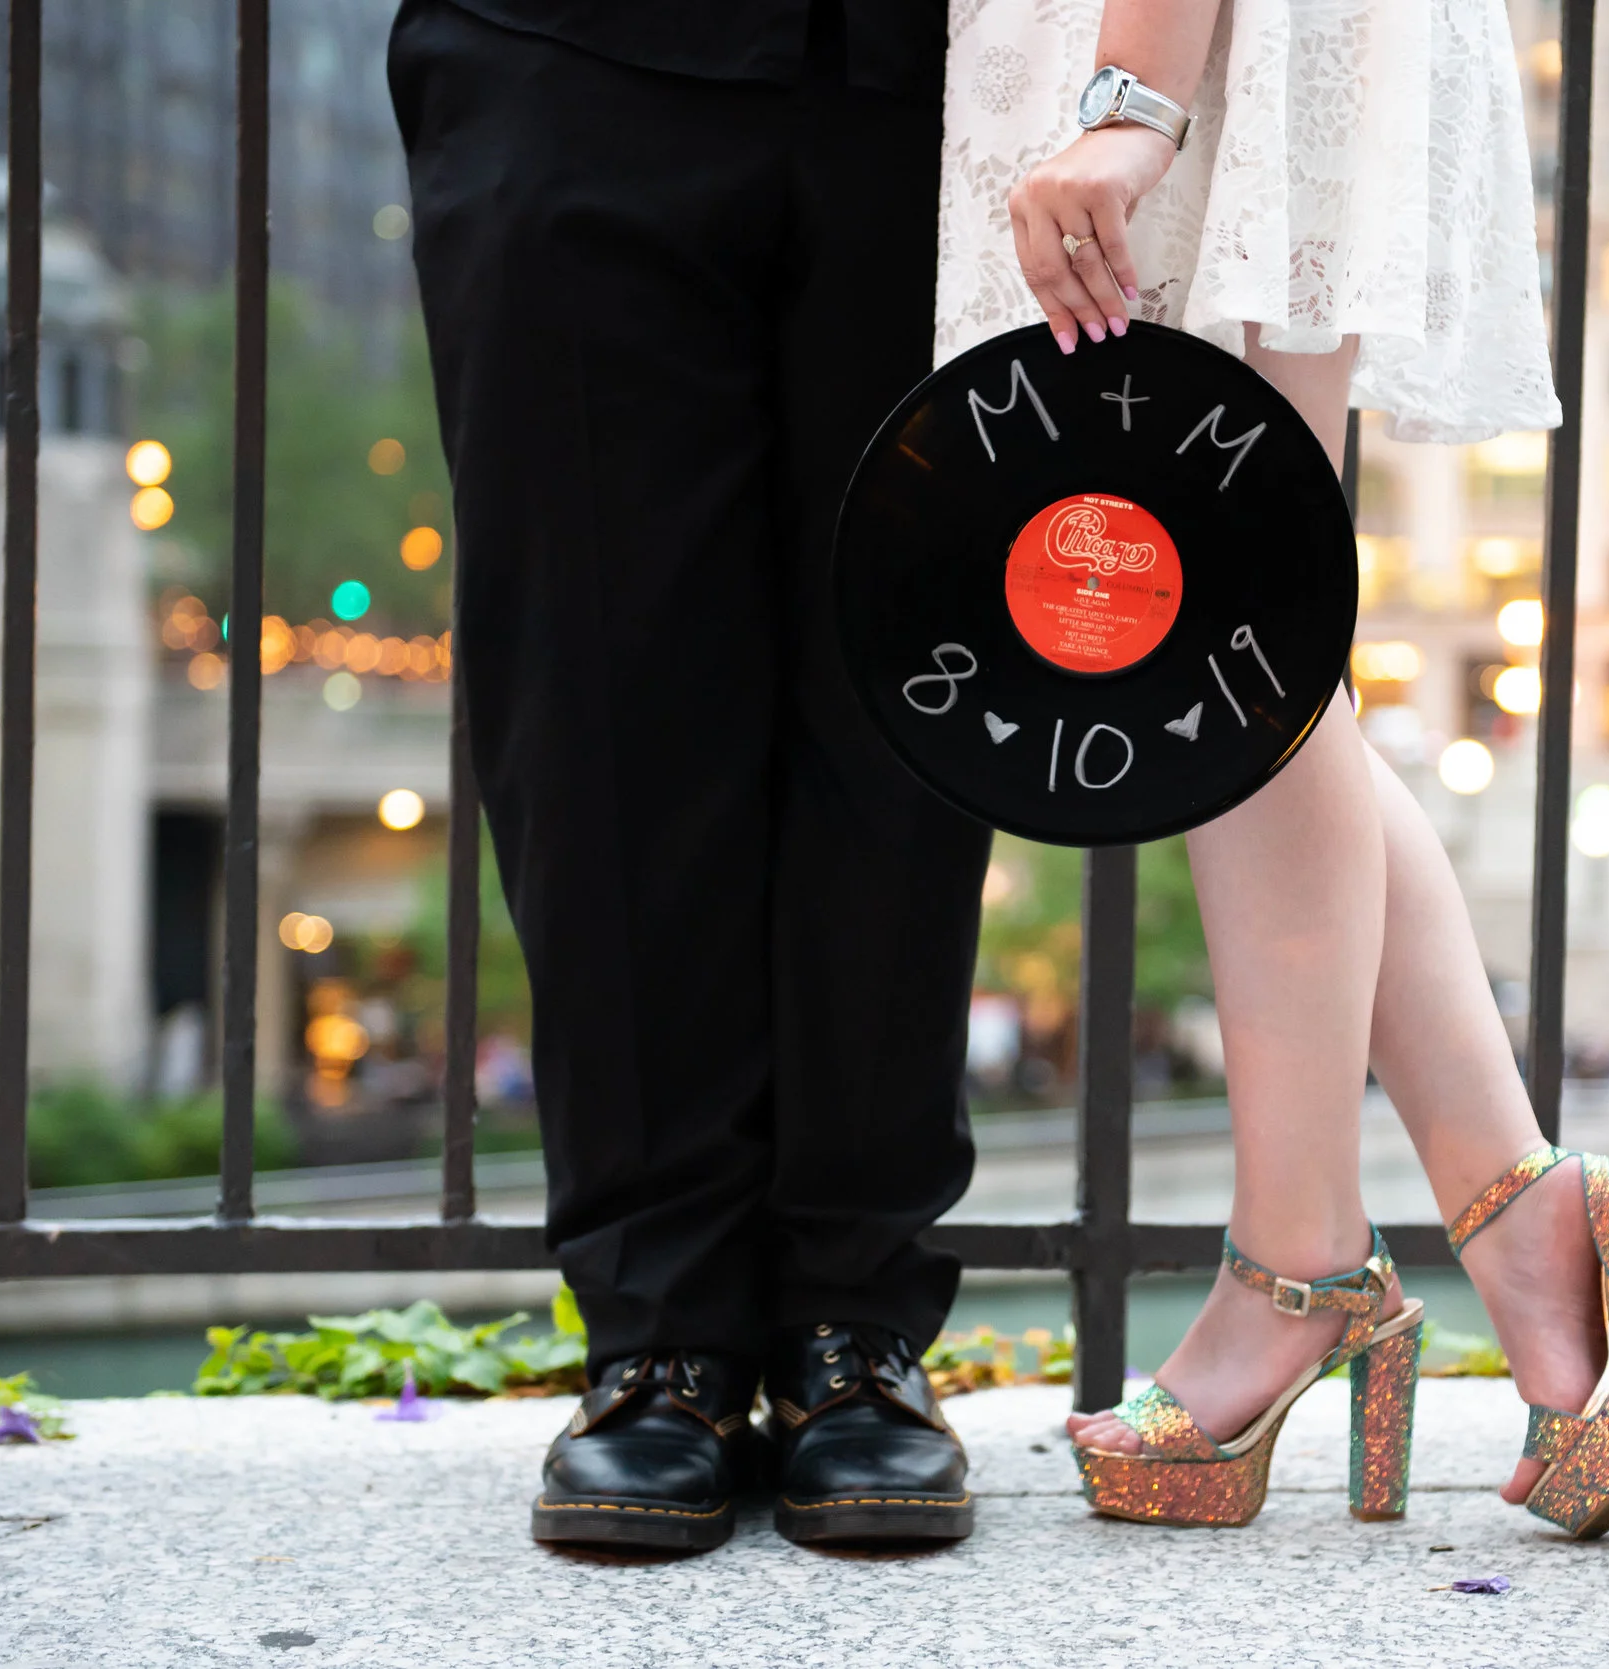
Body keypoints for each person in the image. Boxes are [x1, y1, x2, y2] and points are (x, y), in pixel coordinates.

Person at [940, 0, 1609, 1537]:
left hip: (1187, 44)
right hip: (1192, 47)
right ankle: (1523, 1214)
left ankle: (1301, 1260)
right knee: (1240, 643)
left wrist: (1135, 94)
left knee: (1223, 632)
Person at [389, 0, 989, 1551]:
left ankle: (855, 1328)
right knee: (595, 702)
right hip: (559, 48)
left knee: (903, 697)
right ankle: (659, 1338)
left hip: (927, 72)